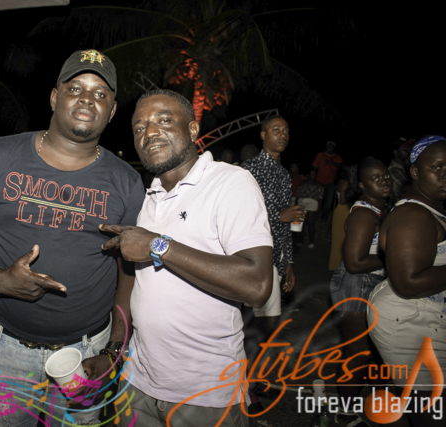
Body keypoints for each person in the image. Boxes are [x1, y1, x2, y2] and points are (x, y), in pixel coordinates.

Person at [0, 49, 145, 426]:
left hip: (87, 352)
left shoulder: (127, 182)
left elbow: (129, 272)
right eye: (75, 88)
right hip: (2, 350)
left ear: (112, 110)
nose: (88, 98)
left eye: (101, 93)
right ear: (54, 97)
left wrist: (114, 349)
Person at [100, 89, 272, 427]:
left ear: (192, 130)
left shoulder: (230, 183)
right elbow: (132, 280)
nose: (149, 133)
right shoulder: (148, 197)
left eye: (163, 120)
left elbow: (257, 285)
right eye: (139, 127)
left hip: (204, 394)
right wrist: (114, 349)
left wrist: (158, 246)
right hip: (137, 383)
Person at [367, 136, 446, 427]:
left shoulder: (431, 209)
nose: (445, 174)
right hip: (410, 319)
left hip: (426, 315)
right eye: (437, 167)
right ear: (415, 171)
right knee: (430, 409)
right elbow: (407, 282)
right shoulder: (413, 214)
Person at [329, 157, 390, 420]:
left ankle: (377, 405)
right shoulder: (364, 214)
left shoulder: (378, 210)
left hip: (368, 283)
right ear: (363, 185)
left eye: (385, 175)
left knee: (373, 352)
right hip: (356, 284)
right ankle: (345, 411)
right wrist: (396, 259)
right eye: (375, 178)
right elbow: (354, 262)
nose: (384, 181)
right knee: (358, 354)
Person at [242, 116, 302, 341]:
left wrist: (288, 264)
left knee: (261, 318)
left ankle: (248, 359)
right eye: (276, 130)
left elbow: (285, 227)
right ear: (263, 134)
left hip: (275, 256)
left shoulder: (284, 174)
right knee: (261, 319)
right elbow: (240, 215)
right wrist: (279, 216)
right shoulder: (249, 170)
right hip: (253, 255)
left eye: (286, 131)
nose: (283, 135)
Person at [328, 164, 356, 270]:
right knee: (341, 239)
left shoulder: (340, 181)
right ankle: (337, 265)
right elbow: (343, 200)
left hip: (340, 210)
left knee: (339, 239)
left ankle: (336, 265)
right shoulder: (345, 182)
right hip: (343, 210)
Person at [313, 140, 343, 221]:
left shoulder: (337, 157)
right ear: (326, 146)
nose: (330, 147)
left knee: (328, 202)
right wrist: (314, 180)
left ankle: (324, 217)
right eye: (328, 145)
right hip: (319, 182)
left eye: (331, 145)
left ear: (334, 147)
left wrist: (332, 163)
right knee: (318, 201)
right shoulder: (320, 155)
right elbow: (314, 167)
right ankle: (315, 216)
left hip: (331, 182)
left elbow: (341, 167)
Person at [296, 167, 324, 248]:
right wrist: (296, 204)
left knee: (311, 222)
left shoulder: (318, 184)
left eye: (314, 174)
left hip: (312, 202)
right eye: (311, 173)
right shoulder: (303, 183)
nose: (313, 175)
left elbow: (320, 197)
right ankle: (300, 241)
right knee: (302, 223)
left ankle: (311, 242)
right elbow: (298, 194)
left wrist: (319, 208)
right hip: (302, 202)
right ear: (308, 175)